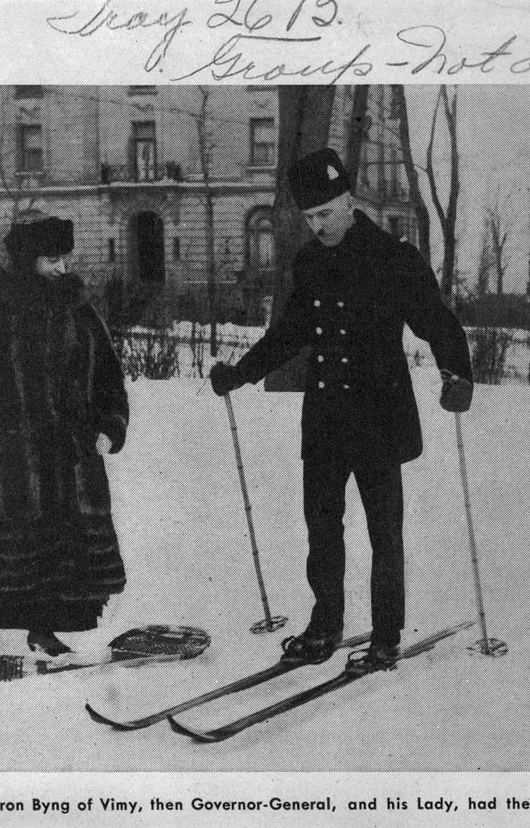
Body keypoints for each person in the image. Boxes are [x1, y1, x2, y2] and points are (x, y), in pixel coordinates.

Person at [210, 148, 473, 670]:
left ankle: (386, 633)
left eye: (326, 213)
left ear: (350, 201)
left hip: (379, 418)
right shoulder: (310, 261)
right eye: (310, 217)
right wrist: (240, 372)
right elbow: (290, 332)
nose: (318, 225)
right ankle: (325, 623)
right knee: (322, 528)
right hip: (327, 419)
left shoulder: (393, 257)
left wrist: (457, 372)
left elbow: (435, 320)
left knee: (383, 533)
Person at [0, 211, 129, 657]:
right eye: (50, 259)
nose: (62, 268)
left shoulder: (79, 311)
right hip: (6, 457)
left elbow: (109, 379)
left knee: (54, 548)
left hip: (68, 455)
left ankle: (43, 629)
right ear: (27, 261)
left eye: (64, 258)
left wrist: (109, 427)